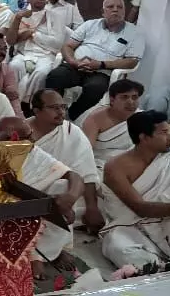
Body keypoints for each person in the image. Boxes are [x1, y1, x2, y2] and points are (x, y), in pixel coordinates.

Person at [0, 115, 85, 276]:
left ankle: (49, 251)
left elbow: (74, 176)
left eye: (31, 134)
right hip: (1, 210)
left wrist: (70, 197)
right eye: (27, 137)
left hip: (30, 204)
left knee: (63, 186)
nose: (33, 140)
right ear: (10, 140)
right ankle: (32, 256)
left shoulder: (33, 151)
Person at [98, 110, 170, 267]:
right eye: (164, 133)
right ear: (144, 137)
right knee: (118, 247)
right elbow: (141, 209)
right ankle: (158, 268)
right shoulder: (115, 167)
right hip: (132, 225)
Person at [47, 0, 143, 120]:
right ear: (103, 12)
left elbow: (132, 61)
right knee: (55, 76)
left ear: (124, 11)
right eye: (110, 7)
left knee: (95, 89)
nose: (115, 10)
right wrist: (73, 61)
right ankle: (54, 111)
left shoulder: (135, 33)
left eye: (119, 7)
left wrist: (101, 64)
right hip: (77, 66)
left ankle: (70, 116)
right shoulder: (90, 24)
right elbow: (68, 46)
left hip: (102, 71)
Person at [28, 89, 104, 238]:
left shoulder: (72, 132)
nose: (61, 112)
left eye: (63, 107)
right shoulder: (21, 131)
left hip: (64, 190)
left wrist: (92, 208)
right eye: (54, 108)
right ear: (37, 111)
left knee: (64, 188)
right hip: (26, 189)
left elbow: (86, 172)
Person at [7, 0, 69, 104]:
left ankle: (30, 105)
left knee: (41, 73)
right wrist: (17, 19)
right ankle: (10, 102)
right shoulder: (20, 15)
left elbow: (57, 43)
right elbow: (10, 41)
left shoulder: (56, 17)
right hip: (23, 54)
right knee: (14, 66)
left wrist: (33, 35)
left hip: (45, 56)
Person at [81, 79, 146, 170]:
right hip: (101, 165)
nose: (130, 102)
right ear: (112, 100)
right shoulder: (95, 119)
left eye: (134, 97)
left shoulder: (142, 117)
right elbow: (84, 152)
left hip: (133, 163)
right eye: (124, 97)